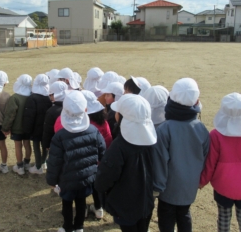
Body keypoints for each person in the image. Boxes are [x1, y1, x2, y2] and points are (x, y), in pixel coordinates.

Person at [152, 78, 210, 232]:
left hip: (168, 188)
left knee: (166, 217)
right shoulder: (201, 128)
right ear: (196, 100)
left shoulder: (164, 129)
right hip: (189, 186)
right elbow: (204, 157)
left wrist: (157, 186)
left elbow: (159, 161)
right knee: (184, 214)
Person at [95, 94, 157, 232]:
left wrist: (100, 187)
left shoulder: (120, 145)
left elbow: (106, 175)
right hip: (146, 201)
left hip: (124, 204)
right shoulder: (151, 141)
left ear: (123, 116)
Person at [46, 91, 106, 232]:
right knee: (81, 202)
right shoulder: (93, 131)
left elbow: (54, 162)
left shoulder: (60, 136)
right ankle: (79, 227)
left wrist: (51, 180)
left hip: (66, 179)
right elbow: (103, 153)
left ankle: (67, 227)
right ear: (85, 110)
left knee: (66, 204)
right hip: (86, 177)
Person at [200, 92, 241, 232]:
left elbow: (210, 163)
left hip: (224, 185)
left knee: (224, 218)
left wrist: (202, 181)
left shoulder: (216, 135)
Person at [81, 90, 112, 220]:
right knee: (96, 185)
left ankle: (82, 210)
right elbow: (108, 139)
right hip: (99, 160)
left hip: (84, 161)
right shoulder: (103, 121)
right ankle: (98, 208)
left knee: (82, 184)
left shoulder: (82, 123)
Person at [2, 74, 32, 175]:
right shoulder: (32, 96)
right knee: (27, 144)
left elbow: (10, 115)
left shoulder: (14, 98)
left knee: (18, 146)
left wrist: (5, 127)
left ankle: (20, 166)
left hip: (17, 128)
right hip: (28, 127)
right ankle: (27, 163)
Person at [23, 74, 52, 174]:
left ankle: (38, 166)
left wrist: (27, 129)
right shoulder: (49, 97)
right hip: (46, 126)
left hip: (35, 127)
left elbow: (29, 116)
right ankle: (43, 162)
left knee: (36, 146)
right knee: (45, 146)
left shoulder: (33, 98)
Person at [42, 81, 68, 150]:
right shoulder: (71, 106)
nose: (50, 97)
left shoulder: (51, 111)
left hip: (57, 144)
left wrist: (46, 144)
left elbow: (48, 130)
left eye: (50, 95)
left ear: (54, 95)